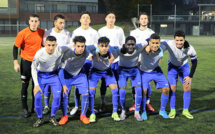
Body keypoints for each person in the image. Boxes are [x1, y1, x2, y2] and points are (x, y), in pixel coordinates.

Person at [58, 36, 104, 125]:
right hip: (67, 74)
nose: (80, 49)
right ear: (74, 45)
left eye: (82, 46)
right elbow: (60, 70)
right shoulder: (68, 53)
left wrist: (98, 53)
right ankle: (64, 116)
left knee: (86, 94)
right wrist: (63, 84)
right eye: (78, 46)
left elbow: (98, 45)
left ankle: (83, 115)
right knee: (64, 95)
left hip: (80, 75)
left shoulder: (87, 49)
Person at [31, 36, 69, 127]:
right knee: (37, 97)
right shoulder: (39, 53)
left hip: (54, 76)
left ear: (56, 45)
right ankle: (40, 118)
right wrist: (36, 85)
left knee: (57, 97)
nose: (51, 48)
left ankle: (52, 117)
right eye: (49, 45)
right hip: (41, 76)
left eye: (53, 45)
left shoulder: (59, 50)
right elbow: (33, 68)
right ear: (44, 44)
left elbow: (71, 47)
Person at [13, 14, 44, 117]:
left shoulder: (41, 32)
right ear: (29, 21)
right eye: (32, 21)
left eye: (36, 21)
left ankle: (34, 107)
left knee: (35, 85)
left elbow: (44, 46)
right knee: (25, 85)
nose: (34, 23)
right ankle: (25, 108)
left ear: (39, 22)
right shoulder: (22, 33)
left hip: (37, 63)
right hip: (25, 62)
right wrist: (16, 63)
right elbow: (15, 47)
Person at [161, 30, 197, 119]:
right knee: (172, 88)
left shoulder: (190, 48)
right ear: (174, 40)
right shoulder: (169, 44)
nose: (179, 42)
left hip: (184, 68)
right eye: (177, 40)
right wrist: (160, 53)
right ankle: (172, 110)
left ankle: (185, 110)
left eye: (181, 40)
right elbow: (160, 45)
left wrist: (190, 76)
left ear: (184, 40)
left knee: (187, 87)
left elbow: (195, 63)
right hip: (172, 67)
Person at [70, 11, 99, 115]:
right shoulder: (76, 32)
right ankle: (77, 106)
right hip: (79, 61)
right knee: (78, 84)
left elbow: (97, 46)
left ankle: (90, 107)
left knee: (90, 84)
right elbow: (72, 46)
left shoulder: (95, 32)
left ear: (90, 20)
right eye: (83, 17)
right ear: (80, 20)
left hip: (90, 61)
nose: (85, 19)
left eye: (87, 17)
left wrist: (94, 56)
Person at [42, 14, 72, 115]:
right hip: (50, 63)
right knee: (48, 84)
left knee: (65, 83)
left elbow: (71, 45)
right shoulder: (48, 33)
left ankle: (66, 104)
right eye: (60, 23)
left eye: (64, 22)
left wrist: (61, 48)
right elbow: (44, 46)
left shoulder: (67, 33)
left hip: (63, 63)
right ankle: (46, 105)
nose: (63, 24)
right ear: (55, 23)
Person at [98, 11, 125, 112]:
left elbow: (123, 44)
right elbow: (98, 46)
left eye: (113, 17)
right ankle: (102, 102)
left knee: (117, 82)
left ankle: (117, 103)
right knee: (104, 82)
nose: (111, 19)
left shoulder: (119, 30)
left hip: (116, 61)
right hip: (105, 61)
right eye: (109, 17)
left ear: (115, 19)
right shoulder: (100, 31)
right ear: (106, 18)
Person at [88, 37, 120, 122]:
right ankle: (92, 113)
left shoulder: (113, 51)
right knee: (91, 92)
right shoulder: (94, 51)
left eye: (106, 46)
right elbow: (86, 48)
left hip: (107, 72)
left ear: (109, 46)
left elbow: (121, 49)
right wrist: (95, 49)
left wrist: (110, 53)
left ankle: (115, 112)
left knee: (115, 90)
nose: (104, 48)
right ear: (98, 46)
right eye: (102, 46)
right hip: (95, 71)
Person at [129, 12, 155, 112]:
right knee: (135, 83)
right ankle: (135, 103)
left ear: (148, 20)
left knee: (147, 82)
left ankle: (147, 103)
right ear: (139, 21)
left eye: (145, 18)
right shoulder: (133, 33)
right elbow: (132, 47)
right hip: (135, 61)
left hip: (147, 62)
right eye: (142, 18)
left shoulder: (151, 33)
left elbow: (154, 47)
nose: (144, 20)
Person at [141, 33, 169, 120]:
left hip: (156, 70)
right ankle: (143, 110)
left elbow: (171, 42)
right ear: (149, 42)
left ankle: (162, 110)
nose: (155, 45)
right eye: (153, 43)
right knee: (144, 90)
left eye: (157, 43)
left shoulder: (162, 46)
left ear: (160, 43)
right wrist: (146, 45)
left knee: (166, 89)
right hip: (144, 71)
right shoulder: (143, 47)